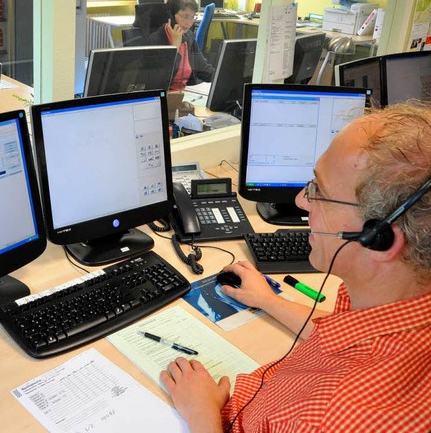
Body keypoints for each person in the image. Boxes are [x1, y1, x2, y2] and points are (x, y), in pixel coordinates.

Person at [160, 101, 431, 432]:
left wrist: (201, 412)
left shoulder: (339, 416)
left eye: (319, 190)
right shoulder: (402, 305)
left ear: (379, 238)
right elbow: (346, 336)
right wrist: (268, 300)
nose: (302, 200)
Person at [149, 0, 215, 90]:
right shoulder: (156, 41)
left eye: (192, 17)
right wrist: (175, 47)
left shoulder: (188, 37)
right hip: (164, 97)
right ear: (171, 16)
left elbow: (203, 69)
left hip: (186, 93)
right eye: (185, 16)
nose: (189, 23)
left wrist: (223, 78)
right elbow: (161, 80)